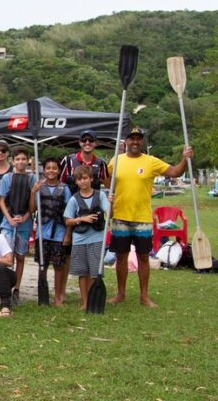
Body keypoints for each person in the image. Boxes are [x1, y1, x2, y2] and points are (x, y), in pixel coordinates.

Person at [107, 127, 192, 308]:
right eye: (132, 138)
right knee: (121, 257)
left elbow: (175, 172)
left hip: (142, 218)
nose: (135, 142)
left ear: (142, 141)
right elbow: (107, 181)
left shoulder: (151, 161)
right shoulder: (116, 161)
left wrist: (185, 159)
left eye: (138, 139)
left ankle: (144, 296)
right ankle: (120, 294)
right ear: (126, 141)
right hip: (120, 216)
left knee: (143, 257)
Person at [64, 165, 111, 310]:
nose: (82, 181)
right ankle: (84, 302)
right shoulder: (74, 199)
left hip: (97, 238)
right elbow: (68, 220)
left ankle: (92, 300)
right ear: (76, 182)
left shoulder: (100, 195)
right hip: (79, 239)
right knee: (82, 272)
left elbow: (110, 214)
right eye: (79, 179)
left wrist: (112, 204)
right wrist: (81, 219)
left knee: (94, 273)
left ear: (91, 179)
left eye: (85, 178)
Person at [29, 157, 72, 306]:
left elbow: (69, 214)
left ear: (59, 170)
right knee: (43, 265)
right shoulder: (39, 187)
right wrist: (33, 192)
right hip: (42, 233)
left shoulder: (64, 189)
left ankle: (58, 296)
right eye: (48, 168)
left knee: (59, 266)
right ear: (44, 170)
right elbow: (32, 209)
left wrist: (67, 234)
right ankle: (43, 295)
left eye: (54, 168)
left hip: (59, 232)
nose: (51, 171)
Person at [0, 146, 36, 306]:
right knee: (7, 256)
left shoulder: (32, 178)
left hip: (24, 224)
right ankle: (4, 288)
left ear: (28, 161)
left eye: (23, 159)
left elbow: (33, 206)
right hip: (8, 223)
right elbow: (1, 201)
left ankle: (17, 289)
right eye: (18, 159)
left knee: (20, 256)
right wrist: (10, 218)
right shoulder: (7, 178)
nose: (21, 162)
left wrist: (25, 217)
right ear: (13, 161)